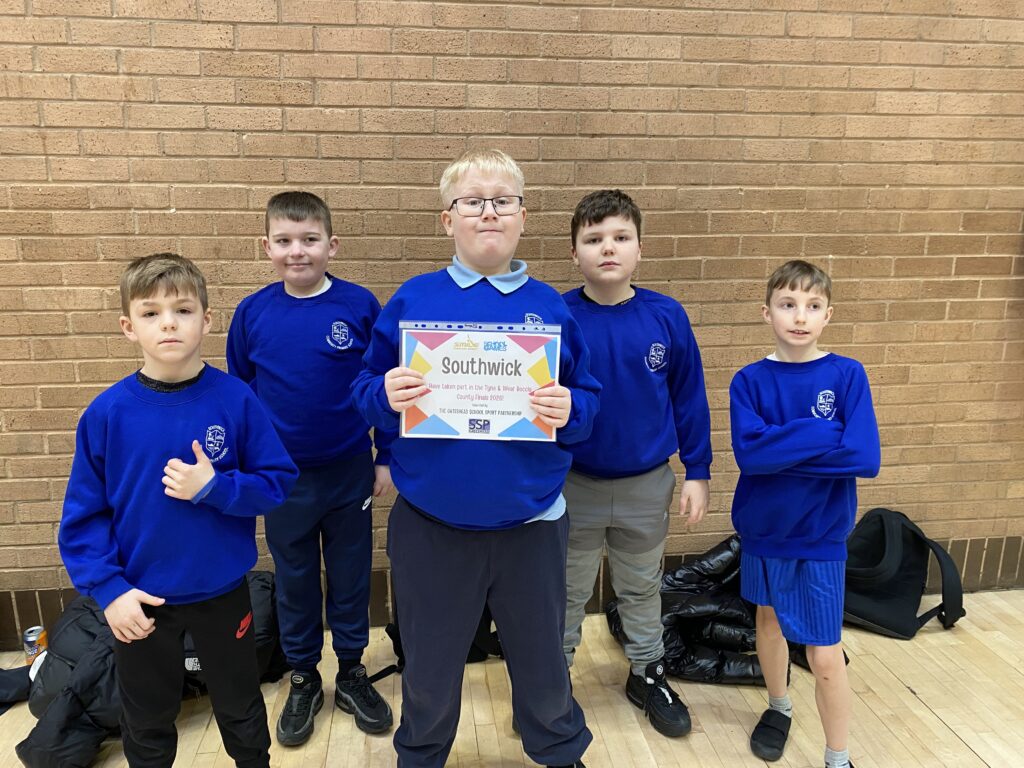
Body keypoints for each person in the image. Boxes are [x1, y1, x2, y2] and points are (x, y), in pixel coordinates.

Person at [352, 149, 599, 768]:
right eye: (472, 201)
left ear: (523, 216)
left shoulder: (551, 307)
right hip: (432, 526)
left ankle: (559, 752)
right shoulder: (414, 300)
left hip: (531, 525)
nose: (489, 212)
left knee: (543, 664)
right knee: (429, 669)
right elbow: (363, 389)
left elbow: (589, 401)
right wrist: (383, 395)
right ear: (448, 219)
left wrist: (573, 408)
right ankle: (421, 755)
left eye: (503, 201)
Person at [58, 252, 298, 768]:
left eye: (183, 310)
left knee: (241, 708)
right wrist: (110, 591)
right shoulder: (106, 414)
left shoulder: (236, 400)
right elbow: (83, 518)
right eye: (151, 313)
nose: (168, 323)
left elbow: (277, 483)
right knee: (146, 719)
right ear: (129, 326)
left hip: (222, 593)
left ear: (206, 320)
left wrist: (216, 488)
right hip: (140, 600)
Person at [227, 191, 396, 745]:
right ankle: (303, 675)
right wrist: (253, 466)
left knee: (350, 575)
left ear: (332, 244)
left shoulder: (359, 305)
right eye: (284, 241)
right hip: (284, 480)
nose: (296, 251)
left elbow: (384, 387)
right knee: (295, 579)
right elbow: (242, 395)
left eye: (309, 239)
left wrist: (385, 456)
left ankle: (350, 671)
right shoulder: (253, 313)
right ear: (266, 247)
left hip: (349, 472)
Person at [560, 189, 712, 738]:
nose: (608, 248)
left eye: (621, 237)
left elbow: (689, 398)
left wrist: (698, 471)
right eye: (594, 239)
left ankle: (648, 672)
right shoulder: (557, 317)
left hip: (647, 485)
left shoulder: (665, 316)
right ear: (575, 252)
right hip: (573, 483)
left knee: (642, 587)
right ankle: (553, 680)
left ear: (640, 249)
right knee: (566, 590)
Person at [730, 259, 880, 768]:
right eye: (788, 304)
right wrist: (823, 432)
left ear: (828, 314)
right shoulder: (749, 381)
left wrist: (780, 449)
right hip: (763, 531)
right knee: (768, 622)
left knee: (825, 654)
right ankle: (779, 707)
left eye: (813, 306)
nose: (800, 316)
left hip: (819, 536)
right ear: (766, 312)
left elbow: (864, 457)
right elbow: (751, 456)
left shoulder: (847, 375)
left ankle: (838, 758)